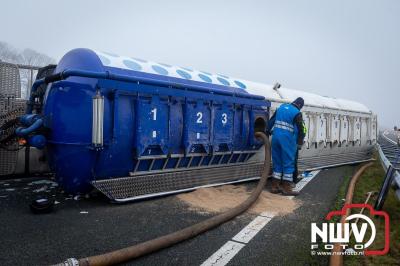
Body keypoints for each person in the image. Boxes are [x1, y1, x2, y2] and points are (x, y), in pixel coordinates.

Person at [267, 97, 306, 196]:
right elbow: (302, 129)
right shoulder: (297, 113)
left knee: (277, 162)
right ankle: (286, 188)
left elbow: (271, 121)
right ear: (300, 106)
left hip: (275, 138)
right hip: (287, 141)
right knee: (288, 163)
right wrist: (299, 143)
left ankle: (274, 186)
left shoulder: (281, 107)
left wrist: (267, 131)